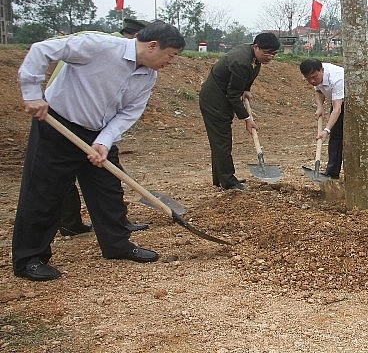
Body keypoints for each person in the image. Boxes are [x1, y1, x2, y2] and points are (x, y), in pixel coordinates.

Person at [13, 21, 185, 281]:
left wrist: (104, 141)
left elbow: (128, 113)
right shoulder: (100, 46)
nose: (171, 62)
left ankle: (117, 245)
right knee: (44, 193)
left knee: (109, 191)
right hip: (58, 125)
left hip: (99, 134)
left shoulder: (148, 76)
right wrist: (31, 92)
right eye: (170, 55)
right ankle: (30, 259)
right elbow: (42, 50)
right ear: (152, 46)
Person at [58, 17, 151, 236]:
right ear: (138, 38)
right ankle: (72, 223)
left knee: (100, 173)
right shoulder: (104, 47)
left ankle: (79, 224)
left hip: (93, 121)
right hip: (69, 115)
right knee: (66, 176)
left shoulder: (136, 63)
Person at [199, 32, 281, 190]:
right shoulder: (241, 61)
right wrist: (247, 118)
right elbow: (233, 95)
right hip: (214, 101)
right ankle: (228, 182)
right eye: (267, 52)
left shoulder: (253, 56)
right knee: (222, 142)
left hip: (222, 97)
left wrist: (247, 88)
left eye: (274, 53)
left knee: (219, 142)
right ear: (256, 47)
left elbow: (248, 76)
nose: (270, 56)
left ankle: (220, 179)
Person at [299, 59, 345, 179]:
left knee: (348, 137)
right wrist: (320, 107)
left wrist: (326, 130)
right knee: (335, 137)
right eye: (308, 79)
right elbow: (319, 90)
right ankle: (332, 173)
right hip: (337, 102)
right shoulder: (315, 75)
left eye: (314, 77)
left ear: (322, 71)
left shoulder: (336, 78)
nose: (312, 81)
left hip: (350, 103)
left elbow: (337, 109)